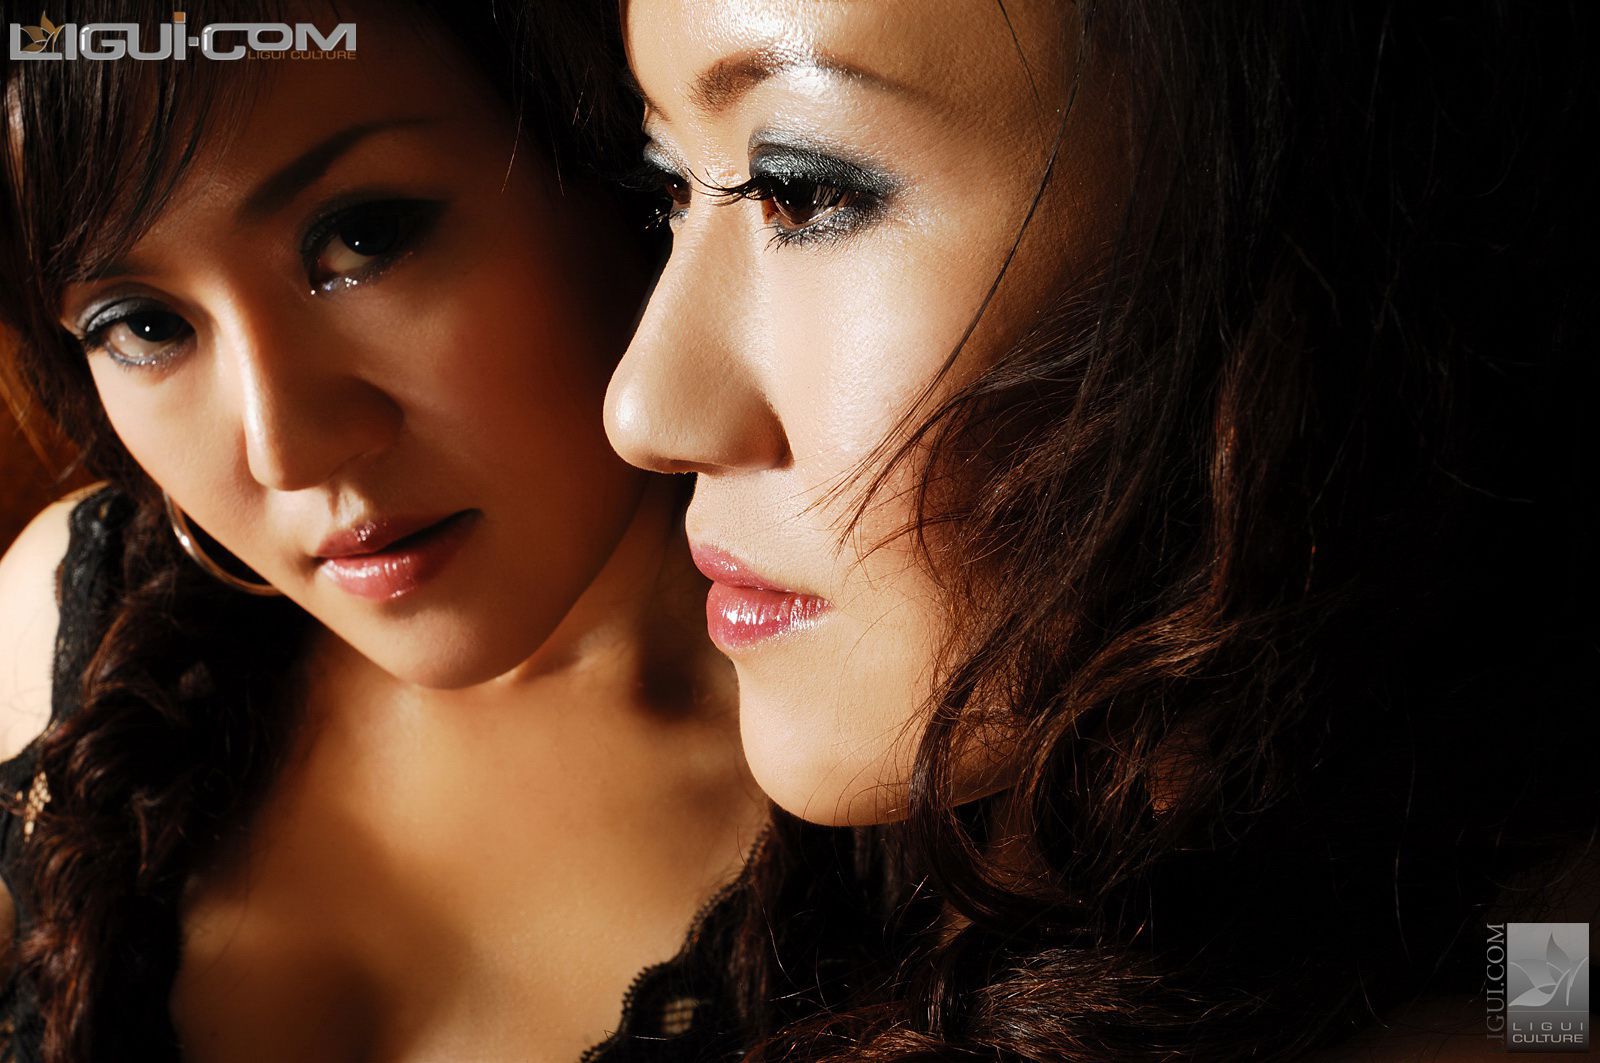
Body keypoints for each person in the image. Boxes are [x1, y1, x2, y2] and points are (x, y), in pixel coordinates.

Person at [606, 0, 1599, 1059]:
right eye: (672, 187)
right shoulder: (902, 876)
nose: (644, 410)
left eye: (801, 189)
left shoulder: (1525, 953)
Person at [0, 3, 764, 1061]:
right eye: (145, 324)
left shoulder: (911, 797)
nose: (286, 451)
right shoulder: (68, 639)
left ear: (615, 171)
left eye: (362, 238)